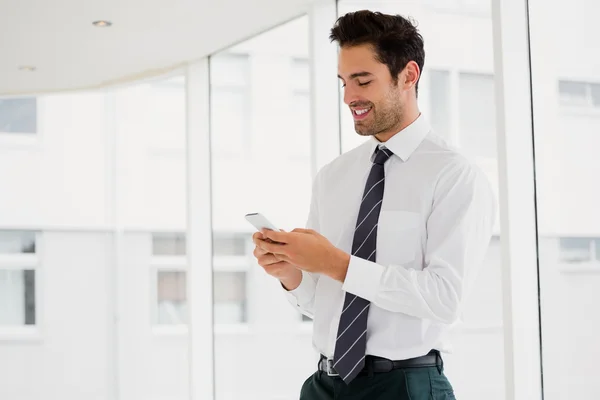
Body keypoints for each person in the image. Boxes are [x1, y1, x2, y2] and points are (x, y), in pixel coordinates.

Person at [252, 9, 496, 400]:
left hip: (404, 386)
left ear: (408, 76)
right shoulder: (334, 177)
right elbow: (325, 302)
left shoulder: (453, 175)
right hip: (324, 385)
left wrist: (335, 262)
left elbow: (444, 298)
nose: (349, 97)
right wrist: (292, 274)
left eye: (363, 80)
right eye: (344, 82)